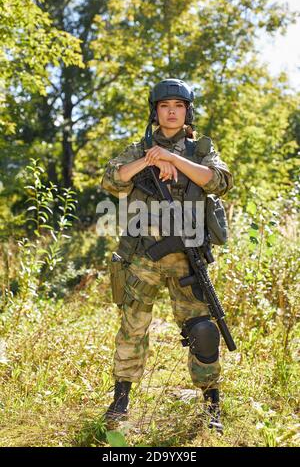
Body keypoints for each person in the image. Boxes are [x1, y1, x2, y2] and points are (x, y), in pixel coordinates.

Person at [100, 79, 233, 433]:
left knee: (204, 332)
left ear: (187, 111)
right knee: (133, 328)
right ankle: (120, 400)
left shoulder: (200, 149)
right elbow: (111, 181)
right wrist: (149, 159)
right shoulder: (138, 148)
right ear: (155, 111)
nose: (171, 111)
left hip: (188, 258)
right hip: (143, 255)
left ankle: (211, 404)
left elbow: (218, 181)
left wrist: (173, 158)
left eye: (178, 105)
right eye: (164, 105)